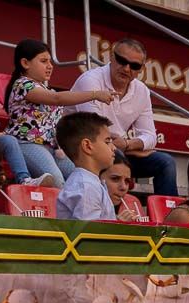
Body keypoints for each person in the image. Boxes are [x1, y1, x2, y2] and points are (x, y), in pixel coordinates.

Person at [70, 38, 176, 196]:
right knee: (114, 155)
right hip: (83, 150)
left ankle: (170, 218)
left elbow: (150, 136)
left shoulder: (142, 91)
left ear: (141, 69)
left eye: (134, 66)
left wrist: (127, 144)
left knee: (166, 162)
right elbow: (96, 131)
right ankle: (115, 215)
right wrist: (123, 146)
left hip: (117, 150)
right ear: (111, 58)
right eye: (122, 61)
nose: (126, 69)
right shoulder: (90, 80)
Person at [3, 39, 115, 186]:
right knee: (57, 181)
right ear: (25, 63)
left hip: (53, 148)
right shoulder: (22, 85)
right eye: (43, 61)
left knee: (84, 179)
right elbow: (57, 98)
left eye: (50, 62)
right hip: (27, 143)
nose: (50, 66)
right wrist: (95, 94)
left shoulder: (46, 89)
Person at [55, 111, 116, 221]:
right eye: (107, 142)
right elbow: (89, 234)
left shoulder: (90, 183)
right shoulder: (86, 186)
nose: (114, 148)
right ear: (87, 146)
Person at [101, 152, 143, 221]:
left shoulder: (133, 202)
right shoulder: (88, 201)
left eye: (127, 181)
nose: (123, 187)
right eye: (115, 179)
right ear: (98, 177)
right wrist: (117, 226)